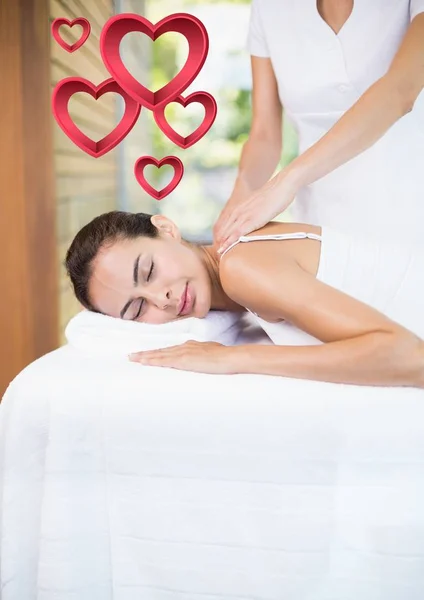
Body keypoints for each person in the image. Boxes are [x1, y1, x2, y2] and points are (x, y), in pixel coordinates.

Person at [65, 211, 424, 389]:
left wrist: (231, 358)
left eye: (148, 271)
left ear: (167, 229)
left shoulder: (242, 267)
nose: (163, 299)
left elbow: (409, 356)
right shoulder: (235, 273)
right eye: (137, 308)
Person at [213, 0, 424, 254]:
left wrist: (286, 182)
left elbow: (401, 90)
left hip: (412, 209)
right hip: (324, 230)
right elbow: (264, 135)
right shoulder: (268, 8)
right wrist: (241, 198)